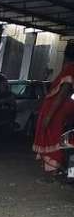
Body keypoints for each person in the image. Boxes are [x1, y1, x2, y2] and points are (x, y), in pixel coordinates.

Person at [33, 41, 74, 174]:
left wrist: (49, 116)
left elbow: (62, 94)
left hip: (58, 112)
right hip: (59, 112)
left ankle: (62, 170)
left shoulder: (69, 70)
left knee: (57, 138)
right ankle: (64, 171)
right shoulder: (67, 70)